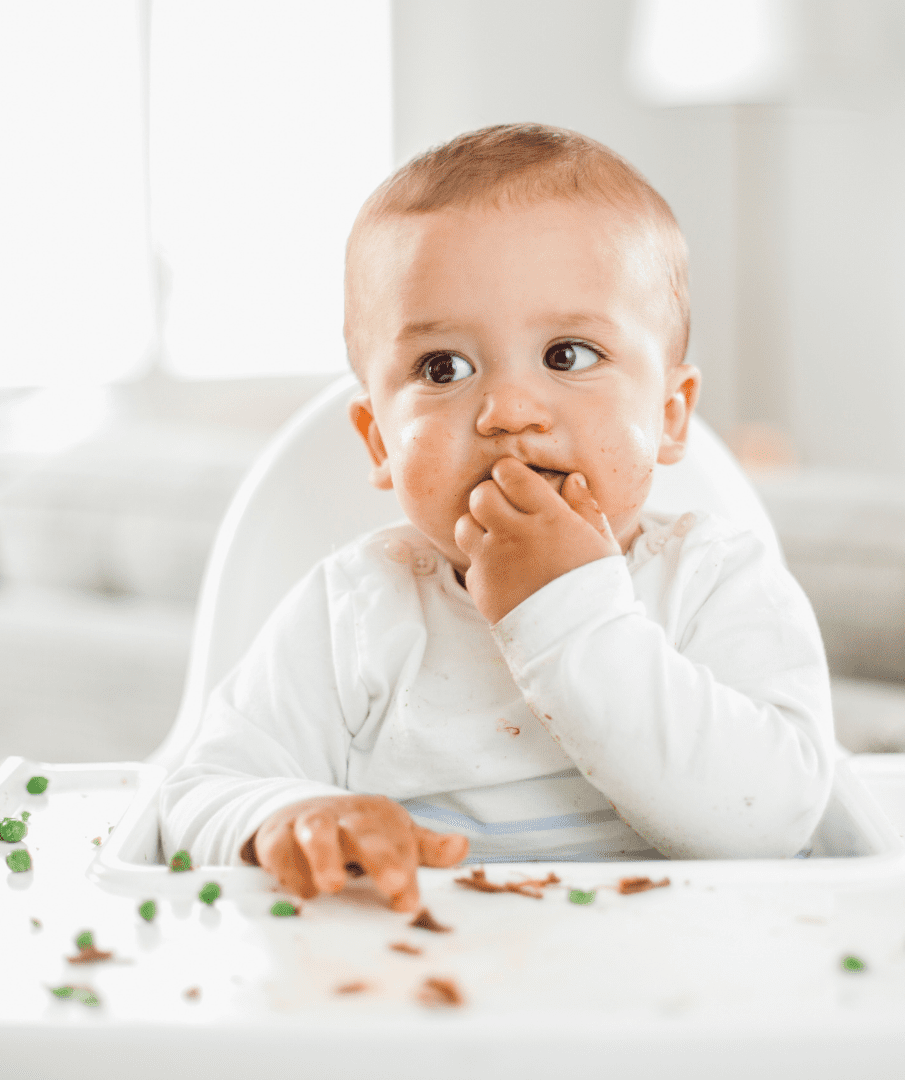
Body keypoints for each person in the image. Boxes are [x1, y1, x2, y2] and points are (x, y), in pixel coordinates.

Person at [159, 124, 834, 912]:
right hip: (416, 988)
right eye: (442, 368)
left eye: (569, 354)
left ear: (671, 414)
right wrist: (287, 815)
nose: (508, 412)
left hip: (681, 996)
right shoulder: (356, 611)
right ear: (379, 440)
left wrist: (567, 612)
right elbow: (200, 789)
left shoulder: (716, 585)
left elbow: (777, 820)